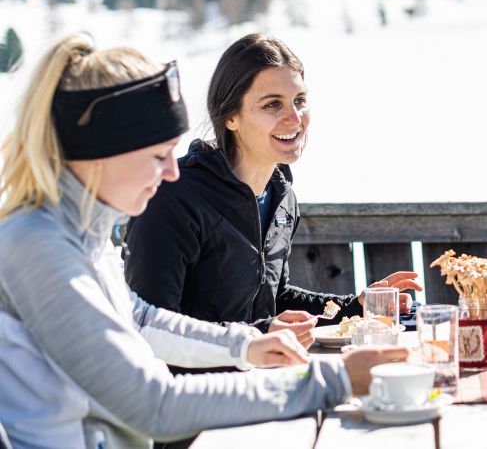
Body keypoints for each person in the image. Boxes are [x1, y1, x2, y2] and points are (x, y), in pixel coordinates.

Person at [0, 33, 405, 448]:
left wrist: (247, 345)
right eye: (158, 156)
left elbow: (141, 319)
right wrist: (331, 379)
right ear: (100, 155)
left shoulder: (83, 235)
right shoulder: (39, 248)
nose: (171, 172)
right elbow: (153, 405)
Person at [124, 34, 420, 353]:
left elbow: (273, 301)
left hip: (262, 378)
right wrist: (259, 334)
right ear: (230, 117)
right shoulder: (173, 198)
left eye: (300, 100)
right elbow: (152, 328)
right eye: (272, 104)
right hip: (190, 393)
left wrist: (355, 307)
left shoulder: (282, 197)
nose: (294, 119)